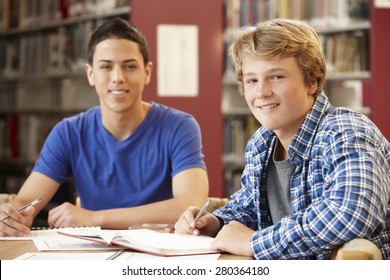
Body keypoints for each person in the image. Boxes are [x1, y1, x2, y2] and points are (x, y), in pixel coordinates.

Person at [174, 18, 390, 260]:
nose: (261, 92)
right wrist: (215, 222)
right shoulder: (261, 142)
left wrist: (255, 243)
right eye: (252, 80)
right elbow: (249, 208)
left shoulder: (345, 131)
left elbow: (352, 214)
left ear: (312, 82)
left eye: (276, 77)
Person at [0, 17, 209, 237]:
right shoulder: (68, 133)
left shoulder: (179, 127)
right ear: (90, 74)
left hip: (160, 255)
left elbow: (190, 204)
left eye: (129, 66)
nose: (118, 77)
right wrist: (11, 216)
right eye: (106, 67)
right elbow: (25, 202)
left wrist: (94, 217)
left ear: (147, 72)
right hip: (93, 255)